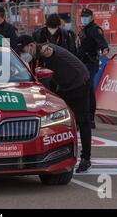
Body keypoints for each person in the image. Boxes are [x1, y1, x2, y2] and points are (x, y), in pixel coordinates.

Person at [23, 36, 92, 173]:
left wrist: (46, 51)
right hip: (63, 85)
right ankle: (58, 154)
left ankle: (86, 158)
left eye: (23, 50)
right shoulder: (35, 57)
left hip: (79, 82)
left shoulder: (44, 50)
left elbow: (49, 51)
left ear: (31, 45)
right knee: (58, 120)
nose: (23, 54)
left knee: (83, 121)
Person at [78, 8, 109, 129]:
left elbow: (102, 43)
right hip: (81, 62)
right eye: (82, 16)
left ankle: (90, 118)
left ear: (91, 17)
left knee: (89, 89)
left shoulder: (95, 29)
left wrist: (104, 50)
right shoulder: (84, 29)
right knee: (83, 89)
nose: (84, 18)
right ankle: (83, 116)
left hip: (90, 62)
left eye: (86, 16)